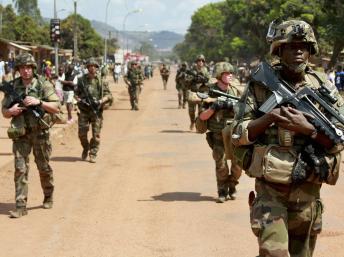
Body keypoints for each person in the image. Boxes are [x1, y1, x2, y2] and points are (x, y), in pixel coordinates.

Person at [231, 19, 344, 256]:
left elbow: (339, 138)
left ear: (311, 50)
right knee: (273, 253)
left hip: (309, 191)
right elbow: (237, 133)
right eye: (292, 46)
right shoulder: (260, 86)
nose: (299, 51)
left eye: (304, 46)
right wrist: (269, 117)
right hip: (270, 191)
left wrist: (308, 129)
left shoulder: (324, 88)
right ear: (279, 50)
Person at [1, 53, 61, 218]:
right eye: (22, 68)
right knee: (20, 169)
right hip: (20, 134)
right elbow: (4, 112)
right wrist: (10, 111)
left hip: (40, 133)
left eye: (28, 67)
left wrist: (39, 102)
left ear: (33, 68)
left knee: (44, 167)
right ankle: (21, 206)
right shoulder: (12, 86)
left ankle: (48, 195)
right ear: (18, 69)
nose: (26, 71)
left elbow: (57, 107)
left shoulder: (43, 84)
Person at [198, 62, 242, 202]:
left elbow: (247, 110)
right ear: (219, 76)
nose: (230, 76)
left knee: (238, 166)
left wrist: (234, 107)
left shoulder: (236, 91)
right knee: (221, 165)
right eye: (226, 74)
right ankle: (222, 190)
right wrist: (214, 107)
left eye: (231, 73)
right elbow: (202, 116)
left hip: (235, 134)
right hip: (217, 134)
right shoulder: (208, 92)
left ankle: (232, 185)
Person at [74, 57, 113, 163]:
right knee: (82, 134)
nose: (92, 68)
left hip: (96, 111)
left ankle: (93, 153)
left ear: (97, 67)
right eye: (90, 66)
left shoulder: (102, 81)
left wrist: (100, 101)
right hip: (84, 111)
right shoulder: (81, 80)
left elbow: (109, 95)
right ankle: (86, 147)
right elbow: (76, 93)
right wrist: (80, 100)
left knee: (96, 135)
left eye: (94, 66)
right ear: (87, 67)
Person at [186, 54, 210, 130]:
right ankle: (192, 122)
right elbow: (186, 81)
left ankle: (198, 125)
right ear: (196, 62)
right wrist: (193, 79)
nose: (200, 62)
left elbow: (209, 81)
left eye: (202, 60)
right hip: (193, 93)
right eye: (199, 60)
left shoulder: (206, 70)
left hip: (202, 94)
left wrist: (204, 80)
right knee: (191, 111)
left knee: (201, 111)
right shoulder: (192, 70)